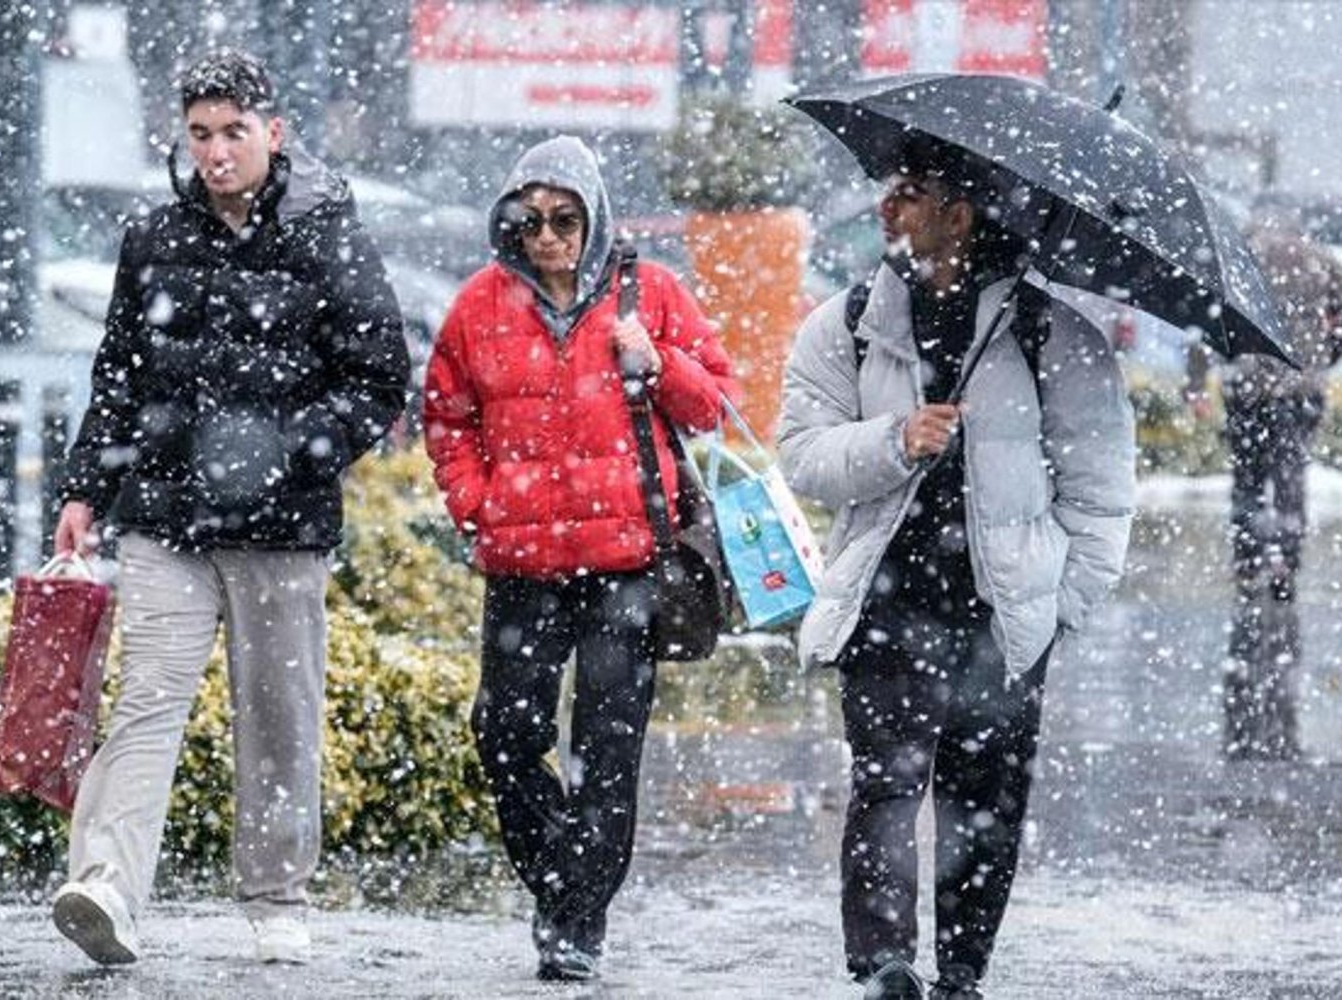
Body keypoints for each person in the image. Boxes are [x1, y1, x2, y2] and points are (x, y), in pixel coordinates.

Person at [49, 50, 408, 966]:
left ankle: (277, 896)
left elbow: (378, 378)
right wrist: (85, 487)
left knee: (278, 712)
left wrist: (290, 450)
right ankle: (106, 887)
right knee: (145, 705)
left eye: (233, 133)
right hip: (166, 516)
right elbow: (118, 374)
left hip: (282, 530)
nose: (215, 152)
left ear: (273, 133)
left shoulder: (329, 234)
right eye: (200, 133)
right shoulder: (153, 237)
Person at [777, 138, 1136, 1000]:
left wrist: (1063, 604)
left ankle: (962, 975)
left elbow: (1102, 491)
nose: (884, 208)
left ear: (960, 212)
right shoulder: (848, 324)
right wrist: (896, 440)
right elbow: (803, 456)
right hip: (887, 601)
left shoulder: (1055, 334)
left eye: (906, 194)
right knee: (886, 785)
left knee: (987, 802)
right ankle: (883, 968)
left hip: (1001, 612)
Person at [422, 135, 733, 982]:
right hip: (521, 565)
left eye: (565, 219)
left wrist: (657, 361)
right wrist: (475, 502)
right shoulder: (479, 306)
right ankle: (563, 881)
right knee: (505, 733)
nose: (549, 237)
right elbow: (446, 415)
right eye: (530, 221)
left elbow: (715, 405)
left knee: (609, 744)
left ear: (593, 219)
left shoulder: (653, 294)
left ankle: (575, 920)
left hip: (625, 561)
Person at [1184, 203, 1342, 759]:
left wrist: (1197, 379)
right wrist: (1324, 360)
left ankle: (1251, 558)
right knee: (1290, 476)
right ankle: (1285, 561)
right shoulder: (1321, 261)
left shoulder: (1237, 253)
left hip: (1250, 386)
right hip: (1299, 386)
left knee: (1249, 480)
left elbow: (1203, 317)